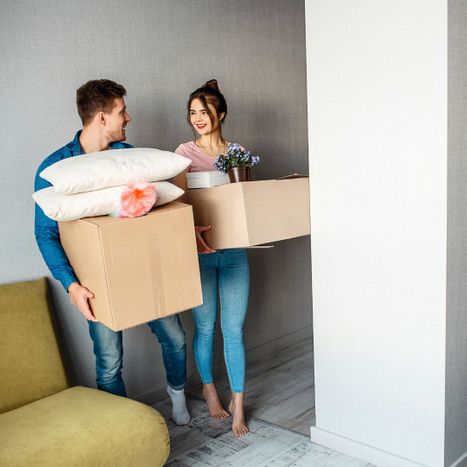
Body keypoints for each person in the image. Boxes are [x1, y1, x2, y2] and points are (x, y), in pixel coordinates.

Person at [34, 79, 190, 425]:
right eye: (122, 111)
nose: (128, 118)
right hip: (94, 280)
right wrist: (71, 286)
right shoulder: (56, 168)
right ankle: (121, 426)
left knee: (176, 338)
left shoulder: (132, 159)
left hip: (141, 268)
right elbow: (45, 233)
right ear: (102, 117)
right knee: (109, 360)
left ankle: (178, 397)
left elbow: (157, 210)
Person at [173, 79, 250, 437]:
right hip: (200, 253)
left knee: (232, 330)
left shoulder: (238, 152)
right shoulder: (183, 154)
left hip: (233, 253)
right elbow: (176, 203)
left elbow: (244, 204)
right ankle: (208, 389)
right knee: (205, 327)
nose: (198, 118)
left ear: (220, 113)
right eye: (192, 113)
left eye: (204, 112)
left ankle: (239, 404)